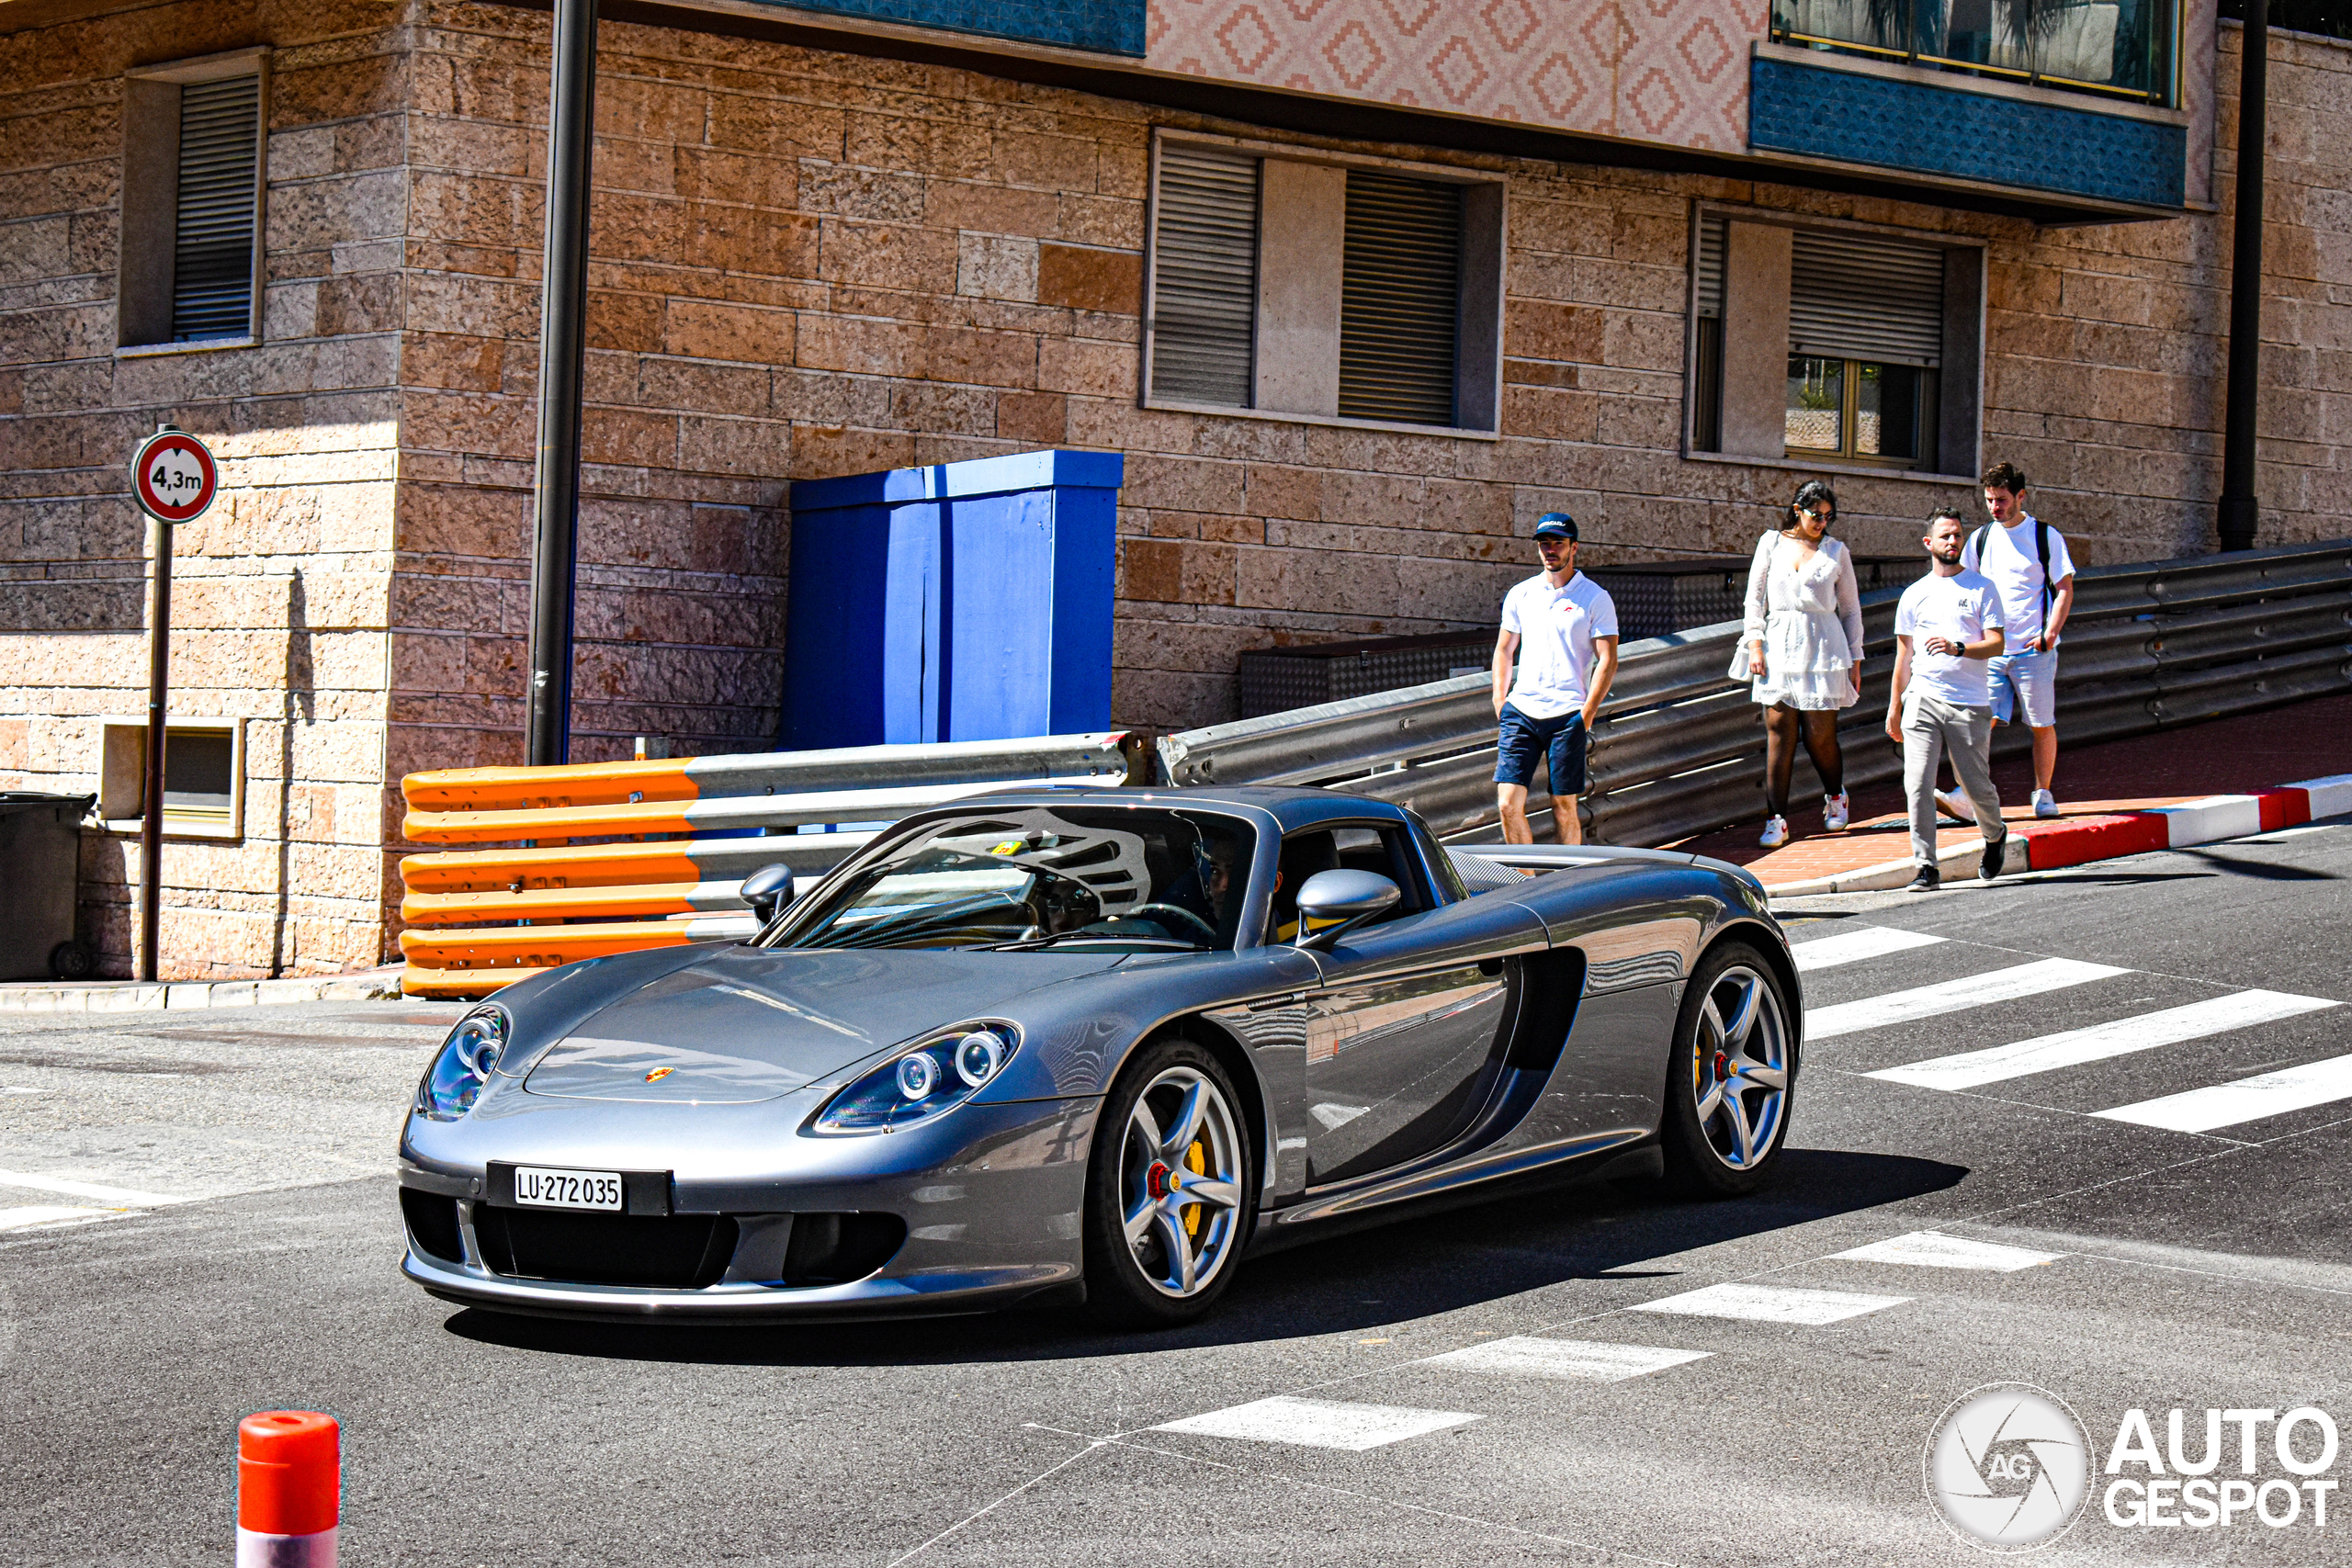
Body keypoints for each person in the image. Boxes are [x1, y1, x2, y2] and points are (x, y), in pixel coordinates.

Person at [1736, 479, 1863, 848]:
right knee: (1779, 731)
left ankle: (1836, 794)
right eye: (1815, 514)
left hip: (1824, 646)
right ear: (1797, 509)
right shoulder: (1771, 543)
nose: (1821, 522)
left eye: (1828, 516)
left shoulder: (1836, 551)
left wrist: (1856, 657)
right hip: (1779, 643)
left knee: (1820, 735)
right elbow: (1754, 599)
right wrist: (1755, 644)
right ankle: (1776, 819)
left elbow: (1851, 609)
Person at [1887, 512, 2009, 892]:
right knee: (1918, 783)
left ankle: (1995, 834)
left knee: (1975, 786)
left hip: (1968, 702)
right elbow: (1903, 656)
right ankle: (1926, 865)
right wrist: (1894, 706)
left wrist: (1959, 648)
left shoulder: (1981, 588)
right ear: (1929, 543)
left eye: (1957, 535)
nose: (1952, 542)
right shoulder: (1914, 594)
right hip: (1922, 697)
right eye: (1945, 536)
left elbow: (1997, 643)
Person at [1492, 513, 1620, 845]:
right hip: (1521, 711)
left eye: (1558, 543)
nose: (1550, 550)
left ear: (1573, 548)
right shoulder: (1521, 593)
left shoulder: (1594, 597)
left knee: (1563, 806)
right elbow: (1505, 649)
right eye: (1544, 543)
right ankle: (1527, 886)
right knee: (1507, 804)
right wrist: (1500, 700)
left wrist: (1587, 713)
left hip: (1568, 714)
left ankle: (1568, 885)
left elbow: (1608, 659)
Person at [1962, 461, 2076, 818]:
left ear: (2021, 497)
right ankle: (1969, 793)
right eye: (1989, 500)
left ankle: (2043, 792)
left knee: (2041, 723)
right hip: (1992, 651)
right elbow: (1965, 586)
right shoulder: (1980, 538)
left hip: (2033, 652)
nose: (1995, 507)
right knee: (1982, 721)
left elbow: (2064, 588)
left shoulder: (2044, 536)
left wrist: (2049, 635)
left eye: (2002, 499)